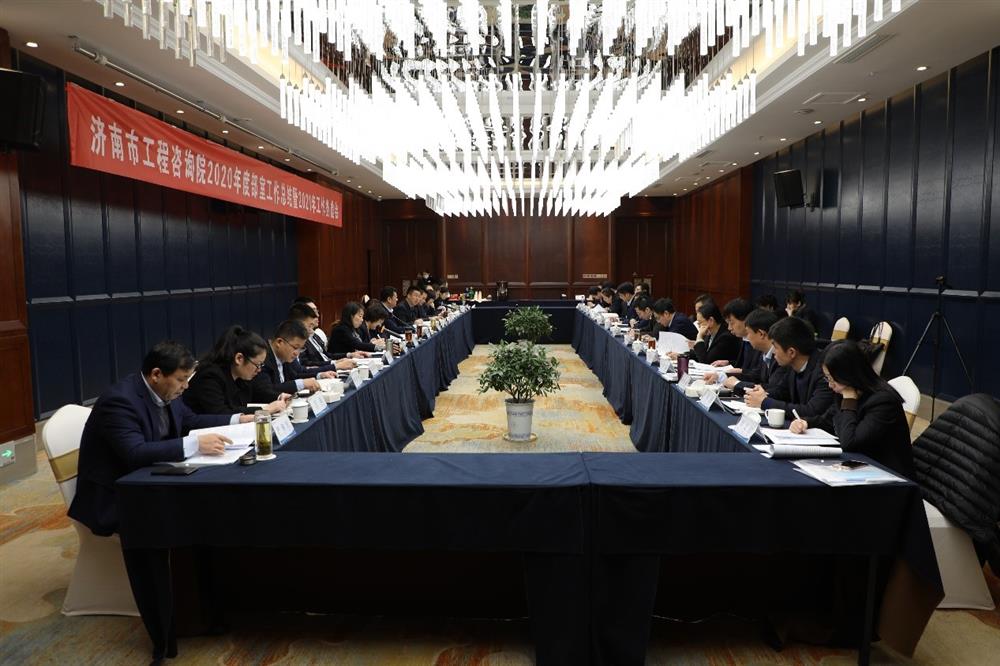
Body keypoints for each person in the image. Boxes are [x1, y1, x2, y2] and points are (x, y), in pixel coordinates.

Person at [68, 341, 247, 536]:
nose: (186, 386)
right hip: (115, 498)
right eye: (181, 379)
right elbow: (135, 452)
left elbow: (191, 420)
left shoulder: (166, 391)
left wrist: (239, 419)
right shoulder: (120, 401)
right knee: (200, 514)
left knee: (213, 504)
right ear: (156, 375)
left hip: (153, 479)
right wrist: (195, 443)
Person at [789, 340, 914, 477]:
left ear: (848, 375)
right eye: (827, 378)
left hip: (888, 477)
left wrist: (849, 401)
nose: (830, 385)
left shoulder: (883, 402)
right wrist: (805, 423)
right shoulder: (846, 390)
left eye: (832, 379)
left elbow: (850, 443)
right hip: (860, 468)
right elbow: (828, 421)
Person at [184, 326, 291, 416]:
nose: (259, 370)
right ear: (239, 358)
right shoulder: (210, 376)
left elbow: (258, 391)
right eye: (258, 365)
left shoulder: (240, 374)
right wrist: (264, 410)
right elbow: (222, 413)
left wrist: (279, 396)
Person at [744, 315, 834, 419]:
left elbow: (811, 411)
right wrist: (762, 394)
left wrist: (765, 402)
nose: (773, 352)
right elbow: (781, 392)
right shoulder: (792, 365)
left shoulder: (824, 371)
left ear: (791, 352)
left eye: (775, 347)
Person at [706, 308, 787, 396]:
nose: (747, 338)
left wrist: (737, 384)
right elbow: (756, 376)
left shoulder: (781, 356)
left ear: (761, 334)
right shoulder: (765, 353)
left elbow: (774, 390)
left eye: (748, 333)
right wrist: (722, 376)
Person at [254, 319, 334, 399]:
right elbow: (266, 390)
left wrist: (320, 375)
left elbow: (297, 374)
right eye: (295, 347)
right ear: (279, 342)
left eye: (301, 348)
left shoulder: (286, 355)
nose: (297, 353)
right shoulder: (262, 357)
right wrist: (302, 384)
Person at [287, 303, 360, 367]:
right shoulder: (298, 341)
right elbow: (305, 366)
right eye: (309, 325)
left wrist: (348, 355)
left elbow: (326, 355)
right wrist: (335, 365)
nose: (317, 315)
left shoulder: (314, 335)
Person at [709, 298, 758, 373]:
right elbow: (743, 365)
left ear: (746, 320)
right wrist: (729, 362)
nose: (729, 328)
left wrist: (741, 371)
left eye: (731, 323)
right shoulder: (742, 339)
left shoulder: (758, 342)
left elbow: (758, 372)